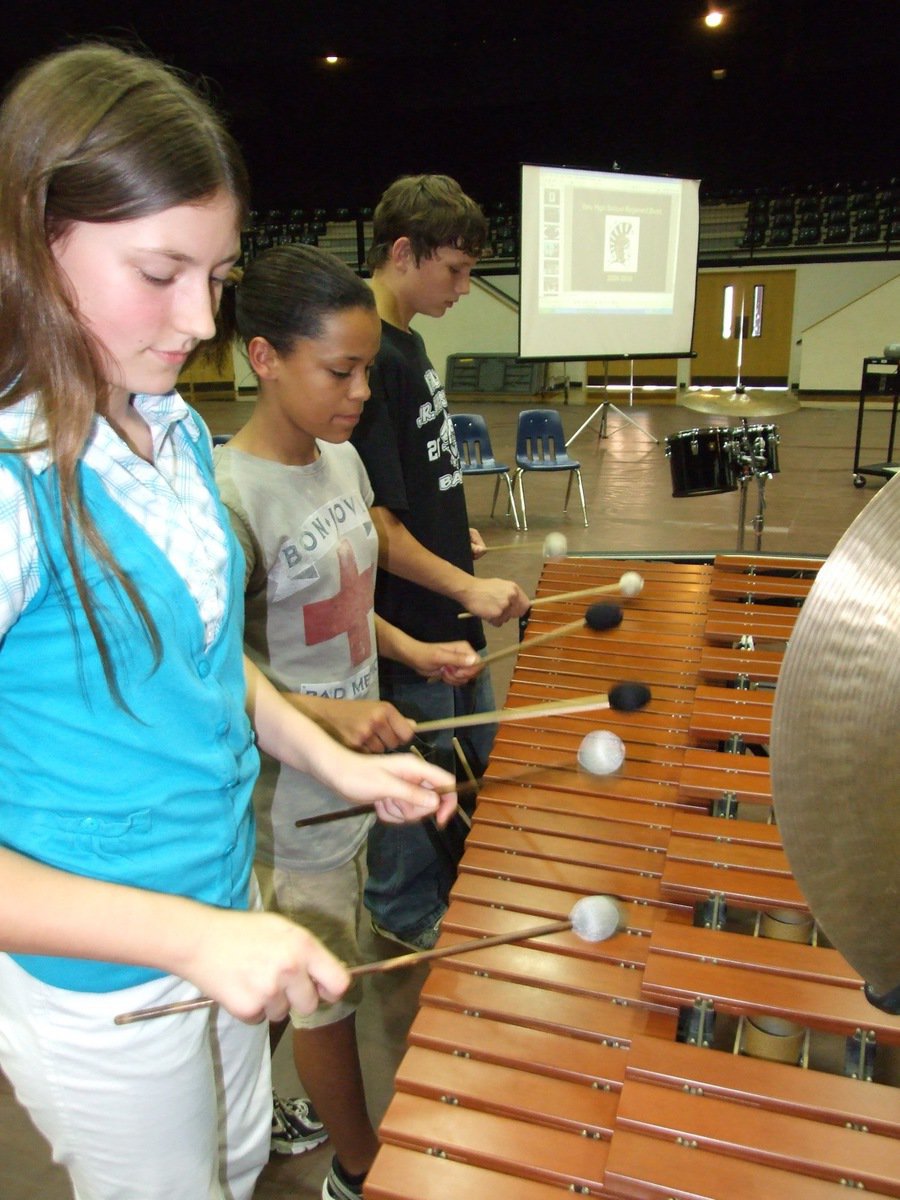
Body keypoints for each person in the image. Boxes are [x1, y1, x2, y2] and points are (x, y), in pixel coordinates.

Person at [0, 43, 456, 1200]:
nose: (198, 318)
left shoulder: (169, 429)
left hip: (216, 897)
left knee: (242, 1160)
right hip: (107, 976)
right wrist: (196, 942)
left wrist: (330, 757)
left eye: (216, 275)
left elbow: (203, 659)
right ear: (35, 242)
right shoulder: (10, 485)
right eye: (159, 272)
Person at [214, 242, 480, 1200]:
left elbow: (342, 597)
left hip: (354, 776)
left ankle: (243, 1114)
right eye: (340, 371)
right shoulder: (227, 500)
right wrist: (333, 715)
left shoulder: (340, 461)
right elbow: (218, 677)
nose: (362, 391)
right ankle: (357, 1170)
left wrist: (412, 651)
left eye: (368, 369)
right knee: (326, 989)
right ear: (264, 357)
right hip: (291, 804)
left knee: (292, 975)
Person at [350, 174, 531, 952]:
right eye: (454, 269)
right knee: (417, 774)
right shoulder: (367, 354)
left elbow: (415, 483)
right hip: (411, 620)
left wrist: (459, 542)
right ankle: (398, 909)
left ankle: (456, 885)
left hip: (446, 599)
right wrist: (463, 583)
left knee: (467, 771)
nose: (463, 287)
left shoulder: (409, 340)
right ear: (403, 252)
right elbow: (374, 524)